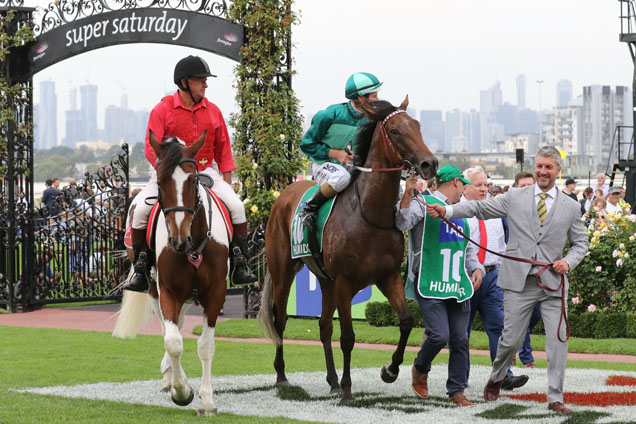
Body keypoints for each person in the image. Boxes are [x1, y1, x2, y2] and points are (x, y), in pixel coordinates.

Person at [426, 146, 589, 414]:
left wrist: (567, 262)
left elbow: (581, 244)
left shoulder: (571, 206)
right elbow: (480, 208)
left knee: (557, 341)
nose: (543, 171)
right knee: (510, 340)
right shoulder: (514, 196)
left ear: (558, 170)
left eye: (548, 167)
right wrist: (448, 212)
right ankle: (496, 377)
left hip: (553, 284)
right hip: (518, 281)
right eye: (539, 166)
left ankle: (555, 398)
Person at [123, 55, 256, 292]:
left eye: (205, 80)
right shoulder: (163, 109)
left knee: (237, 207)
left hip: (204, 170)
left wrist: (227, 184)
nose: (205, 84)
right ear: (184, 82)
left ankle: (239, 263)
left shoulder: (213, 111)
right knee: (141, 210)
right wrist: (167, 173)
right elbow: (149, 147)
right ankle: (141, 269)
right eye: (200, 80)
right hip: (169, 174)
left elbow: (224, 151)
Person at [396, 165, 484, 407]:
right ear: (456, 182)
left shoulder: (462, 210)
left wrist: (477, 268)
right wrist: (406, 193)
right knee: (438, 335)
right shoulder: (424, 202)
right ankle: (420, 368)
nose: (466, 189)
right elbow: (403, 222)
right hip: (430, 280)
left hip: (457, 284)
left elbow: (467, 247)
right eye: (464, 184)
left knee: (460, 340)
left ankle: (456, 391)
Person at [461, 166, 529, 390]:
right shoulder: (457, 209)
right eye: (478, 185)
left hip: (492, 277)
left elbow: (501, 246)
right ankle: (460, 378)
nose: (483, 189)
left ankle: (503, 376)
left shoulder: (495, 210)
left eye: (485, 184)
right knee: (462, 332)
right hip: (466, 277)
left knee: (499, 327)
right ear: (464, 186)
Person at [298, 72, 382, 230]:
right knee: (341, 177)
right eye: (374, 96)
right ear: (359, 98)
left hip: (352, 165)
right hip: (324, 165)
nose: (377, 100)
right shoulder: (329, 115)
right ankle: (309, 208)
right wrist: (334, 153)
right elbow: (306, 145)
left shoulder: (371, 119)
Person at [511, 172, 541, 368]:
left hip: (537, 273)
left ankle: (512, 344)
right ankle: (527, 358)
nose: (527, 190)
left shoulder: (542, 211)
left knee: (535, 316)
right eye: (523, 186)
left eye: (530, 186)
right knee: (525, 313)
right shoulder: (508, 210)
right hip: (515, 271)